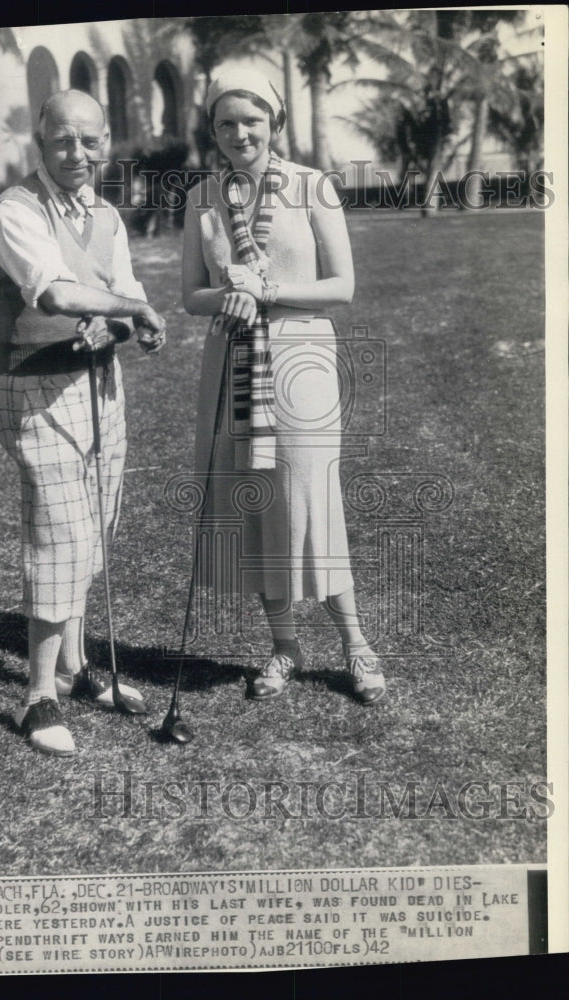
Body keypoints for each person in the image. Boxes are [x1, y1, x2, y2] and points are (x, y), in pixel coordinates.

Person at [181, 68, 385, 704]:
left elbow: (342, 286)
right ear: (212, 130)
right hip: (233, 359)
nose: (240, 133)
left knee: (310, 496)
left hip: (300, 360)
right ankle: (283, 646)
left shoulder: (310, 186)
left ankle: (355, 645)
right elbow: (190, 295)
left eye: (252, 121)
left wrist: (265, 290)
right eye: (226, 124)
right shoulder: (202, 197)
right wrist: (230, 293)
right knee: (258, 499)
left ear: (275, 123)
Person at [0, 90, 166, 755]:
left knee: (95, 528)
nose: (78, 154)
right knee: (59, 535)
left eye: (90, 140)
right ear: (41, 142)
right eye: (63, 141)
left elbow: (126, 297)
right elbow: (55, 293)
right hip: (35, 389)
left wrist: (119, 323)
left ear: (107, 140)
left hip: (99, 386)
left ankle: (79, 667)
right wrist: (123, 311)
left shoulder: (107, 216)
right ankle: (38, 696)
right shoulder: (13, 211)